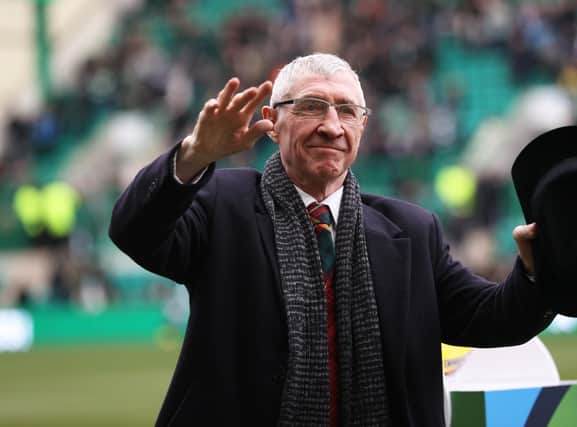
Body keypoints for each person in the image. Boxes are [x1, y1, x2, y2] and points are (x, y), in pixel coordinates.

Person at [109, 53, 553, 427]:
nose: (331, 125)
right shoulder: (221, 203)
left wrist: (535, 270)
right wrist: (194, 155)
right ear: (272, 121)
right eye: (311, 107)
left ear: (363, 126)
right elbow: (135, 231)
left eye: (346, 111)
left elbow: (495, 318)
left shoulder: (413, 231)